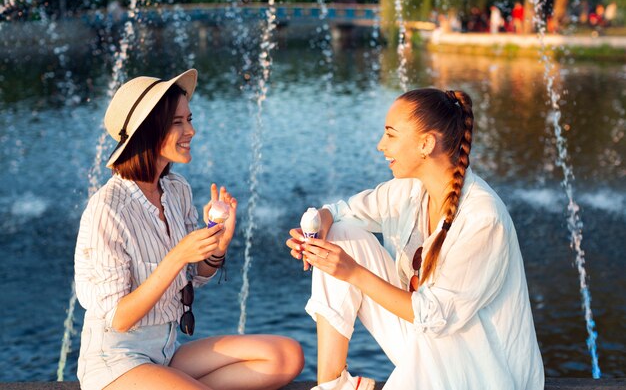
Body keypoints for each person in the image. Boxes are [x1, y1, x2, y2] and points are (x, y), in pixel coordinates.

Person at [286, 88, 544, 390]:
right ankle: (332, 385)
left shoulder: (483, 218)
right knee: (341, 236)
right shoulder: (409, 190)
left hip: (483, 371)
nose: (381, 145)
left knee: (348, 262)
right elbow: (341, 212)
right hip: (430, 344)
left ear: (426, 143)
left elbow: (436, 317)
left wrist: (352, 272)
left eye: (391, 135)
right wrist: (316, 229)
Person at [75, 69, 304, 390]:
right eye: (178, 122)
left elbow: (196, 276)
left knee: (285, 355)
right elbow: (119, 318)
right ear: (148, 130)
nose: (191, 131)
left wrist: (217, 246)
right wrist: (177, 256)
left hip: (166, 351)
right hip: (117, 361)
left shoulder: (176, 189)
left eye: (190, 119)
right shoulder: (107, 210)